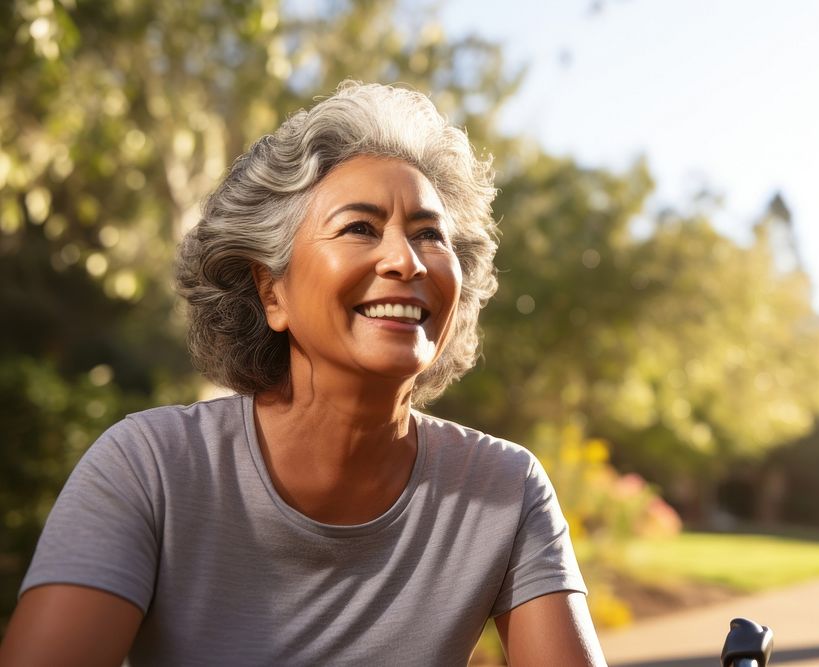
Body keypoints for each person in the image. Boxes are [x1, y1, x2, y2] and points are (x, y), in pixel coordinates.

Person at [0, 82, 606, 666]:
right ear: (272, 291)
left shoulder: (505, 486)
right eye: (359, 228)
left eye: (429, 234)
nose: (406, 260)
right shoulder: (149, 467)